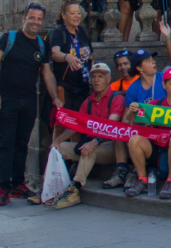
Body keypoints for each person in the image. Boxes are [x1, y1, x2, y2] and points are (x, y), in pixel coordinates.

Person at [0, 3, 62, 206]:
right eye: (32, 18)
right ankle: (2, 187)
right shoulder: (8, 39)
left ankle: (18, 184)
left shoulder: (41, 44)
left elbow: (47, 73)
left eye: (39, 19)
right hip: (6, 100)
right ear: (24, 19)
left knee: (22, 144)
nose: (35, 22)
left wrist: (55, 97)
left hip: (28, 100)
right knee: (5, 144)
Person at [53, 63, 126, 209]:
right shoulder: (88, 101)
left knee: (88, 150)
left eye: (100, 76)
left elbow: (111, 125)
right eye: (93, 77)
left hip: (110, 146)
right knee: (59, 148)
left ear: (108, 79)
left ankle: (75, 189)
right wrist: (56, 141)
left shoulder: (116, 98)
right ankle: (52, 186)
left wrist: (95, 141)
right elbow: (75, 126)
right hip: (90, 143)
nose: (96, 80)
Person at [123, 68, 171, 199]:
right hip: (159, 148)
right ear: (164, 85)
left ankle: (170, 182)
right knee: (134, 140)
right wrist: (131, 111)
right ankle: (142, 179)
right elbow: (131, 119)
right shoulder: (157, 104)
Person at [49, 1, 94, 118]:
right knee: (66, 120)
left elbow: (90, 57)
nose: (76, 16)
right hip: (66, 87)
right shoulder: (59, 32)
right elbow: (54, 53)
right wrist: (67, 57)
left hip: (83, 86)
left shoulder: (83, 32)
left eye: (78, 13)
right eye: (72, 13)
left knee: (81, 119)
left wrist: (93, 74)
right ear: (64, 15)